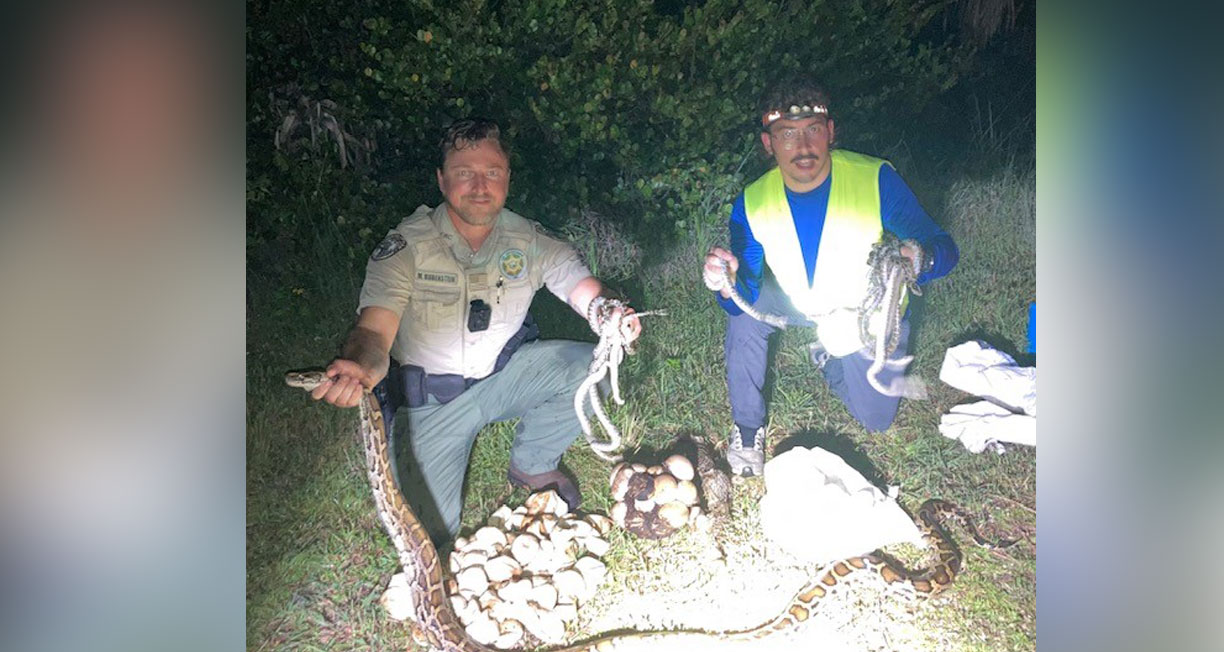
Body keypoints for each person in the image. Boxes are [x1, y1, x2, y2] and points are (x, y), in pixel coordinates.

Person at [308, 118, 641, 547]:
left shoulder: (529, 239)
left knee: (586, 365)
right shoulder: (405, 247)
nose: (480, 186)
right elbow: (373, 332)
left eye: (492, 173)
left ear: (507, 179)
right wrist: (359, 367)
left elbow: (580, 286)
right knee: (430, 538)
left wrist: (609, 312)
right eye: (465, 173)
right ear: (442, 180)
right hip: (431, 404)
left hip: (502, 379)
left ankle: (533, 464)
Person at [702, 74, 958, 476]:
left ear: (831, 133)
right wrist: (726, 283)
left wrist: (919, 259)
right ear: (769, 143)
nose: (803, 147)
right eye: (787, 134)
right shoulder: (751, 201)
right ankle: (748, 428)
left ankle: (826, 356)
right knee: (746, 319)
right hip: (799, 300)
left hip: (866, 312)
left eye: (813, 131)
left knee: (876, 419)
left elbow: (945, 248)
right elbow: (744, 295)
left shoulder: (875, 178)